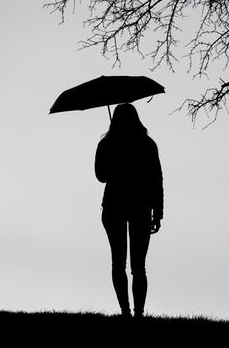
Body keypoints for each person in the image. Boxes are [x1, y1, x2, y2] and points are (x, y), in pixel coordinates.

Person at [94, 103, 163, 319]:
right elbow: (156, 180)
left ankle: (125, 312)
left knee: (119, 263)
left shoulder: (106, 144)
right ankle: (138, 313)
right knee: (138, 266)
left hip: (114, 206)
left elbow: (100, 176)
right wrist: (158, 212)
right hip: (140, 206)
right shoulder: (148, 144)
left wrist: (113, 156)